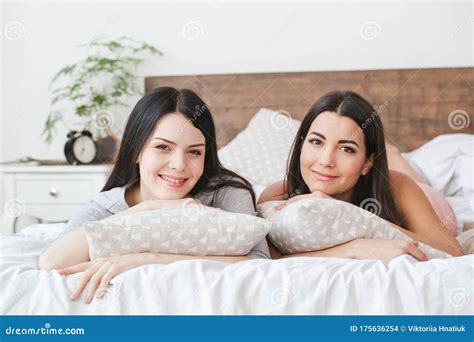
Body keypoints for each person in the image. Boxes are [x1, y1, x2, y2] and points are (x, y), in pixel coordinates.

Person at [39, 87, 270, 303]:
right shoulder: (109, 206)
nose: (179, 165)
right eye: (163, 147)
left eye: (194, 152)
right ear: (136, 151)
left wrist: (149, 258)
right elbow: (51, 262)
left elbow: (259, 263)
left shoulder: (225, 193)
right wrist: (147, 210)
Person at [258, 90, 463, 262]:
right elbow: (270, 259)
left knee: (418, 181)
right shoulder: (277, 196)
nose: (326, 160)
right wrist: (354, 248)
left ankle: (393, 154)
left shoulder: (398, 186)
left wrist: (347, 212)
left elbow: (452, 251)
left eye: (346, 149)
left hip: (431, 200)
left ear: (367, 163)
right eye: (316, 142)